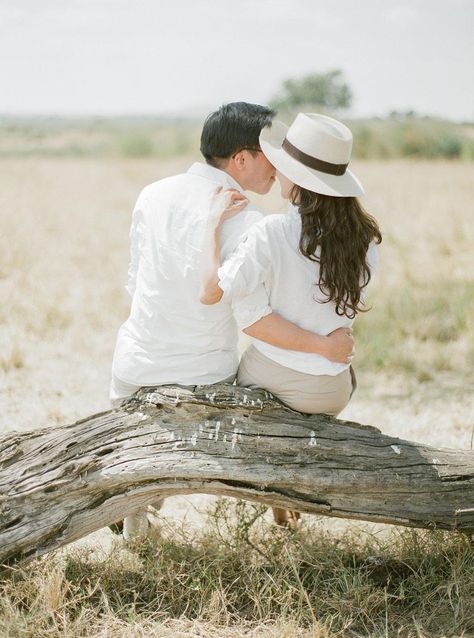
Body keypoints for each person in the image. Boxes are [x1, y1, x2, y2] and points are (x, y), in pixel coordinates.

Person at [110, 104, 355, 538]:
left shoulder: (151, 193)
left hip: (131, 369)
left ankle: (138, 513)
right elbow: (256, 314)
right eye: (270, 153)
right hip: (204, 375)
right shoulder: (247, 219)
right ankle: (277, 502)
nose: (278, 164)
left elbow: (135, 283)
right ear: (242, 159)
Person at [200, 112, 382, 528]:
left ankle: (280, 505)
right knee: (320, 375)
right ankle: (288, 509)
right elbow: (340, 317)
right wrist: (324, 347)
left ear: (297, 180)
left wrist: (211, 228)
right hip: (334, 387)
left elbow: (233, 306)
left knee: (243, 371)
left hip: (275, 379)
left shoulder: (270, 233)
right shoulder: (367, 239)